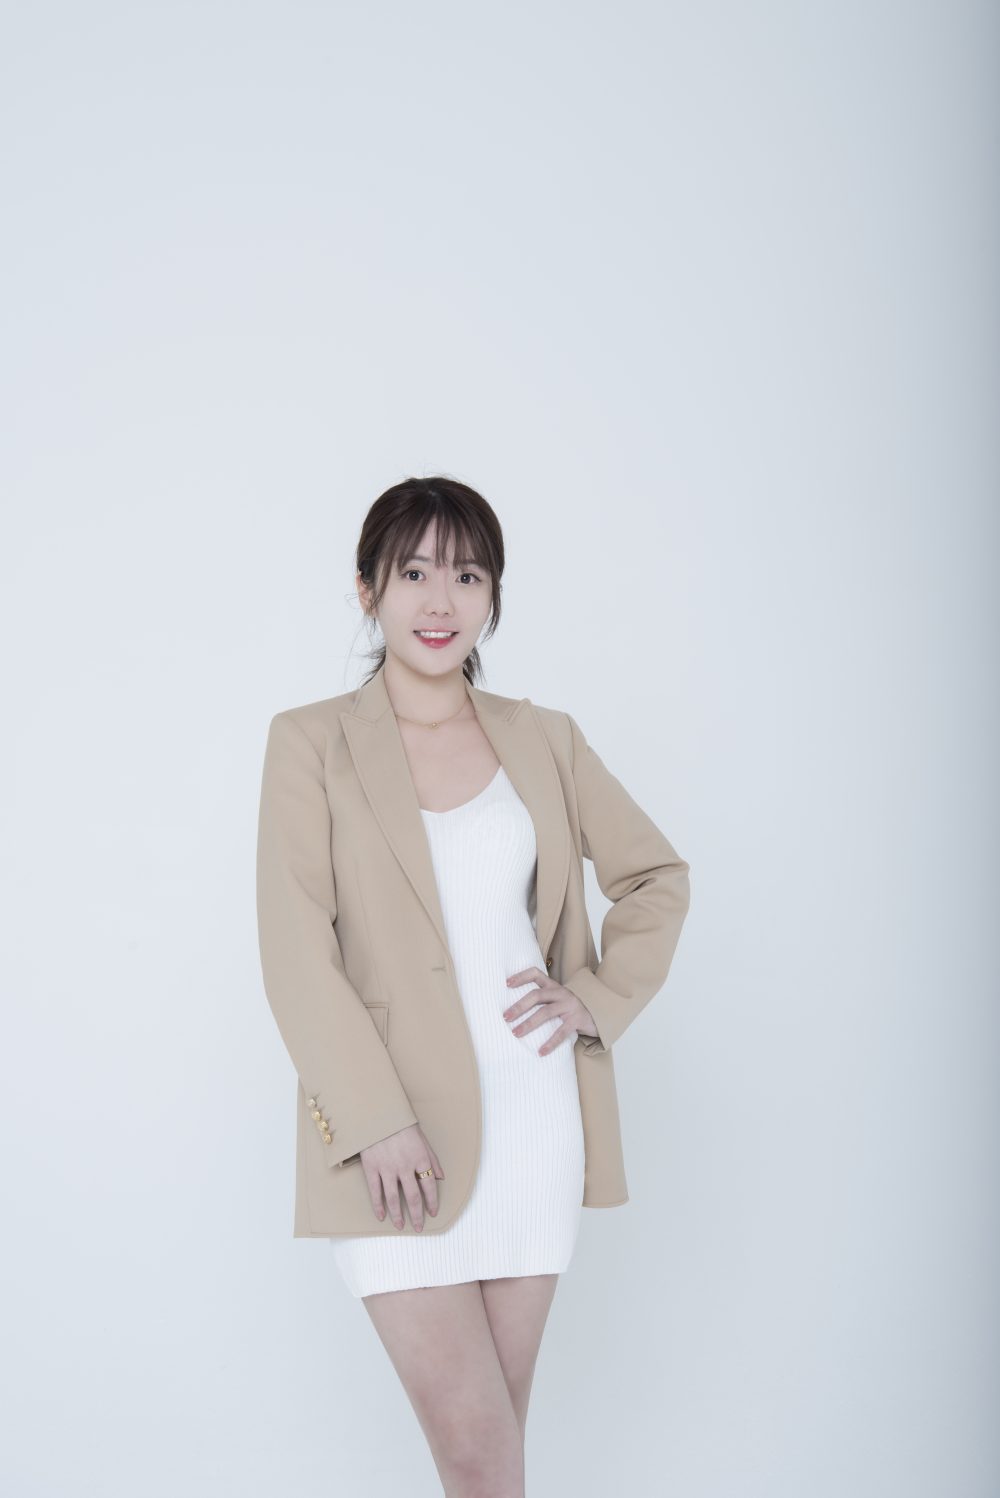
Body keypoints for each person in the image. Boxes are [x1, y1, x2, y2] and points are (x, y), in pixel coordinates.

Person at [255, 475, 691, 1496]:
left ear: (494, 594)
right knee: (480, 1456)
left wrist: (596, 998)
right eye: (413, 573)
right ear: (367, 588)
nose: (440, 600)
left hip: (534, 1120)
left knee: (490, 1466)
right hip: (392, 1147)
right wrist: (374, 1120)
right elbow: (294, 949)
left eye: (467, 574)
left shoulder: (544, 737)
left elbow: (656, 877)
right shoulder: (310, 742)